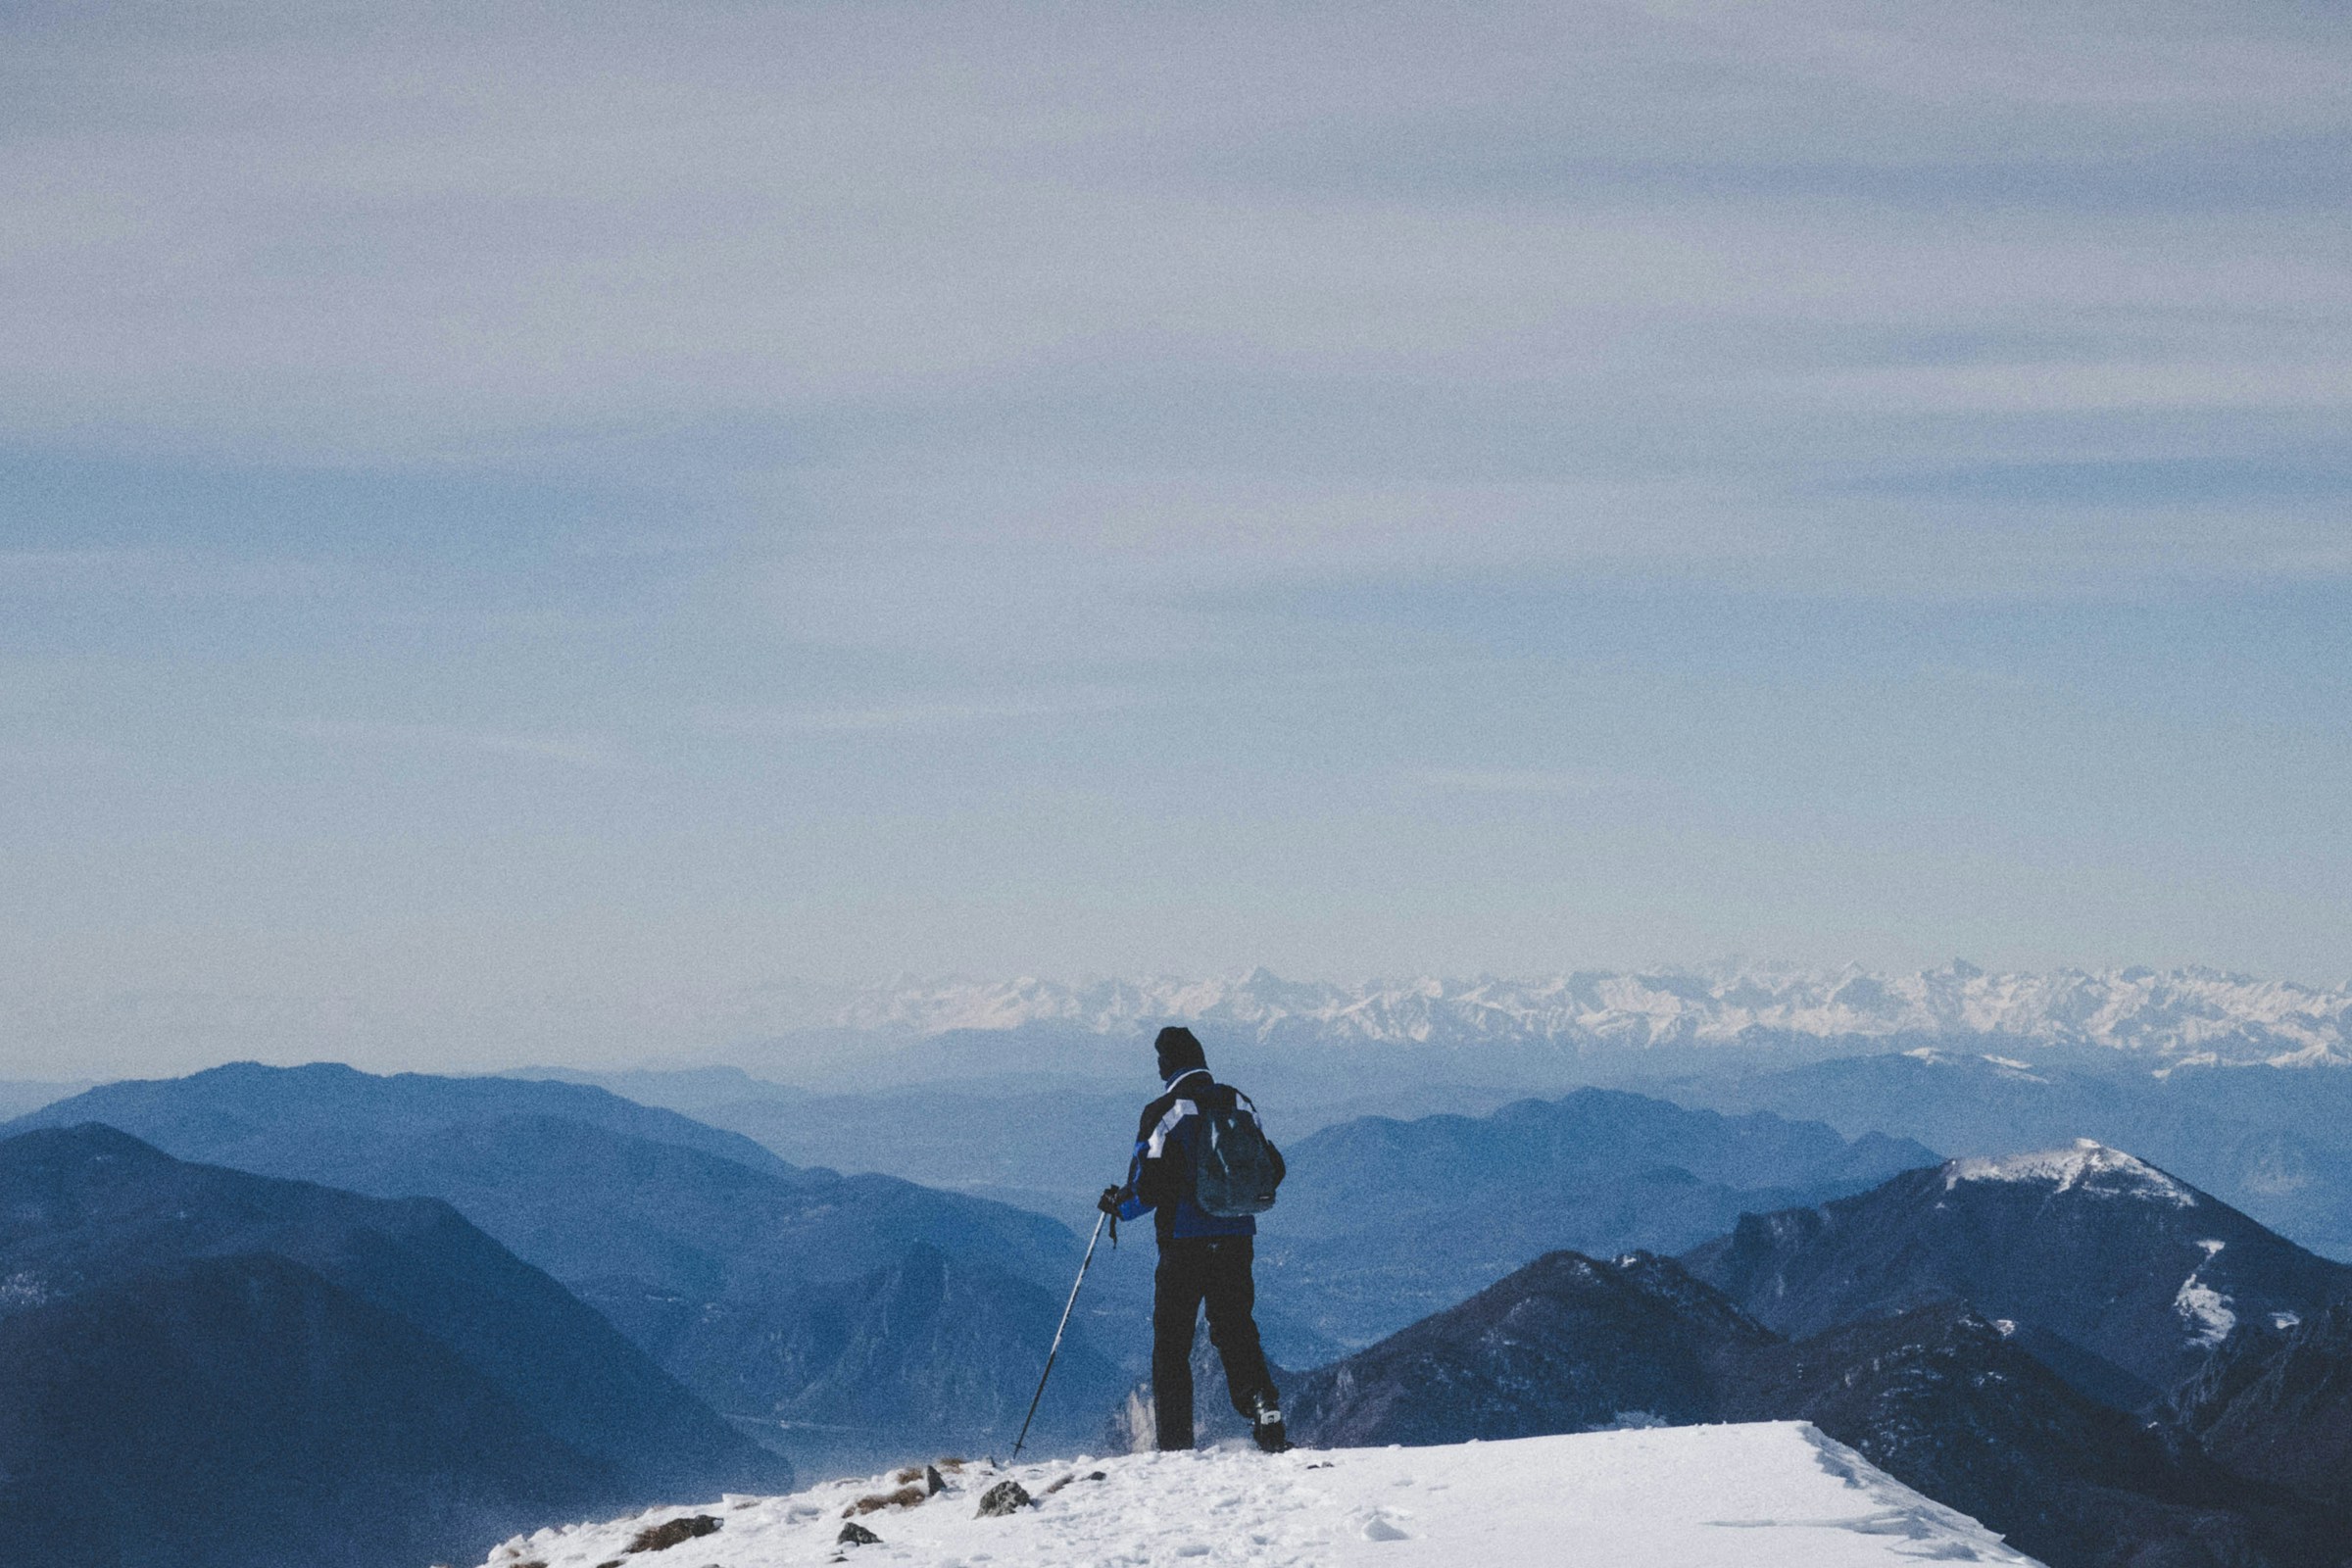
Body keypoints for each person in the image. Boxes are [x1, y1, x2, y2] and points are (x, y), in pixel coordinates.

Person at [1100, 1025, 1290, 1453]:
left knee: (1173, 1343)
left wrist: (1118, 1205)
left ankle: (1175, 1443)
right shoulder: (1238, 1102)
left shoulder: (1164, 1111)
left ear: (1167, 1065)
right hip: (1237, 1237)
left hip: (1183, 1243)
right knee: (1236, 1328)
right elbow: (1272, 1166)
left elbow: (1147, 1188)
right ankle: (1264, 1408)